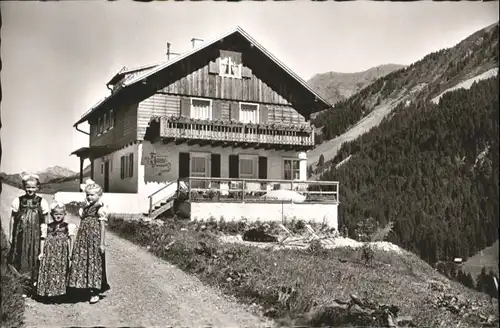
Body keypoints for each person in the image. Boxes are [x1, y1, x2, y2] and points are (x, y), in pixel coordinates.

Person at [68, 179, 110, 304]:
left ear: (99, 195)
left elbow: (102, 227)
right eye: (88, 195)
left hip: (94, 239)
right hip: (83, 238)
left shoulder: (100, 208)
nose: (89, 197)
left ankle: (95, 290)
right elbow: (82, 223)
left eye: (92, 195)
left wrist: (102, 243)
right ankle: (83, 286)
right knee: (83, 260)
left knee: (94, 263)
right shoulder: (85, 209)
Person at [8, 174, 50, 298]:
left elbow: (46, 220)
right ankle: (22, 285)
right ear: (24, 187)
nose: (30, 190)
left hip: (36, 236)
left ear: (37, 188)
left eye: (33, 187)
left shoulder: (42, 202)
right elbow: (12, 218)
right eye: (27, 187)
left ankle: (35, 285)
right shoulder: (18, 200)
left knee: (35, 255)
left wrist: (46, 234)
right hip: (20, 235)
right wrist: (11, 234)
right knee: (21, 256)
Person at [36, 202, 76, 301]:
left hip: (61, 253)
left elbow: (71, 239)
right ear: (51, 214)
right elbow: (42, 239)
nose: (58, 216)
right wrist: (41, 252)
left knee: (60, 271)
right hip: (49, 252)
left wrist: (70, 252)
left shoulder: (68, 226)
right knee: (49, 271)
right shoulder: (46, 226)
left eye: (61, 214)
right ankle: (48, 293)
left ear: (64, 214)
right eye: (56, 214)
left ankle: (59, 294)